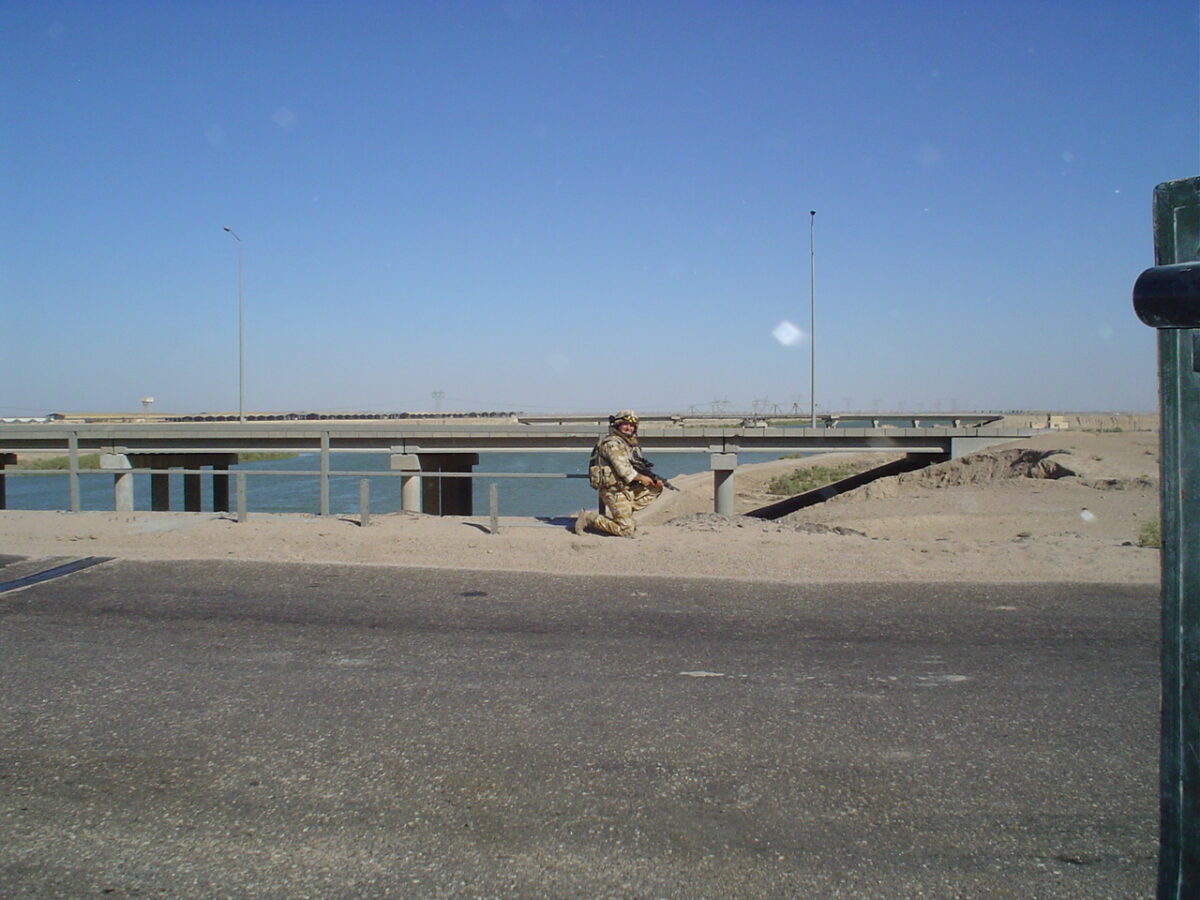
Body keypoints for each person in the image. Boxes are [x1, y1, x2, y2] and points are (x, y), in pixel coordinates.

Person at [574, 410, 664, 537]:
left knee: (655, 488)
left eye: (632, 426)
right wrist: (641, 478)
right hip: (614, 491)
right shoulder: (612, 444)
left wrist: (652, 479)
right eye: (625, 424)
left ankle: (625, 515)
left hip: (626, 489)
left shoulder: (627, 444)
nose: (629, 428)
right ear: (617, 425)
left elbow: (636, 465)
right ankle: (589, 517)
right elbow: (623, 470)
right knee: (626, 531)